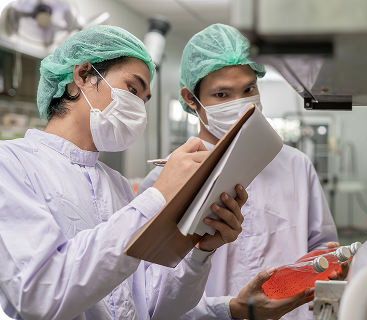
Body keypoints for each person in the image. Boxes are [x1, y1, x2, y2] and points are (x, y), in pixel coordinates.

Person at [0, 25, 248, 320]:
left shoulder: (115, 185)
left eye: (144, 99)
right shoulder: (11, 165)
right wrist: (158, 196)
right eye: (132, 89)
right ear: (82, 75)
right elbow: (40, 294)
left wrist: (200, 252)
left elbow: (151, 305)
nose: (139, 108)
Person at [138, 23, 343, 320]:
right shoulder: (164, 181)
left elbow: (320, 246)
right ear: (190, 98)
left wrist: (330, 262)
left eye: (248, 89)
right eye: (222, 95)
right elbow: (148, 295)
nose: (241, 105)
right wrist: (229, 310)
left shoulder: (295, 165)